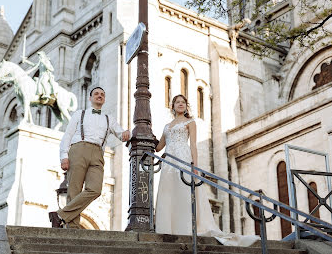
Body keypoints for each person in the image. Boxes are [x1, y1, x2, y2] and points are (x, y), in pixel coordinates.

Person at [155, 94, 259, 246]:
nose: (180, 104)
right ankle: (168, 228)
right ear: (173, 106)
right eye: (177, 102)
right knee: (169, 193)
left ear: (186, 106)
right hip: (169, 163)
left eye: (183, 102)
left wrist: (194, 165)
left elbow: (193, 145)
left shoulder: (190, 122)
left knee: (184, 192)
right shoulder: (167, 126)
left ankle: (184, 227)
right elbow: (159, 147)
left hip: (183, 159)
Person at [49, 86, 130, 228]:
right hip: (78, 150)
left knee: (95, 189)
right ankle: (72, 228)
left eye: (102, 94)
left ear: (104, 99)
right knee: (74, 189)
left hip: (98, 153)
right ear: (90, 98)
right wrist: (64, 156)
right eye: (96, 94)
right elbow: (67, 135)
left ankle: (60, 215)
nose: (99, 96)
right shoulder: (79, 114)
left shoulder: (108, 119)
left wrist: (126, 133)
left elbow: (120, 133)